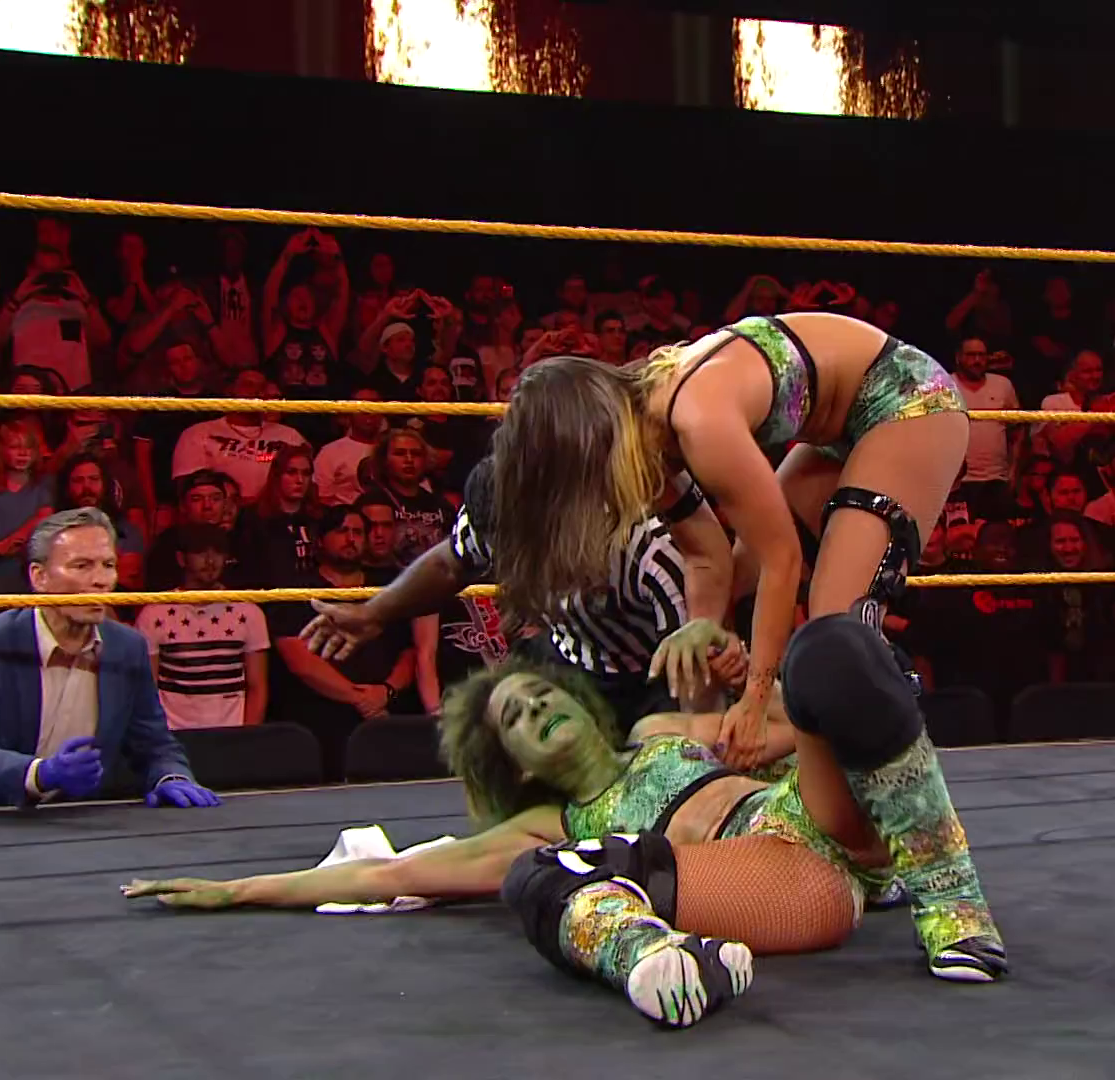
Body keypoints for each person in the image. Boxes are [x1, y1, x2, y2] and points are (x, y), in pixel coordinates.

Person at [451, 316, 1002, 979]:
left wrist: (754, 696)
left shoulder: (696, 416)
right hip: (835, 429)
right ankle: (860, 833)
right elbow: (710, 557)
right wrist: (705, 629)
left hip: (904, 402)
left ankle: (952, 901)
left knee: (835, 639)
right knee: (773, 612)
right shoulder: (647, 433)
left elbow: (782, 559)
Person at [125, 646, 1004, 1030]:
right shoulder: (555, 821)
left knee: (832, 654)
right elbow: (392, 874)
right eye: (515, 716)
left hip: (819, 819)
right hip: (782, 884)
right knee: (540, 875)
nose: (537, 705)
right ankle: (661, 965)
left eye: (541, 693)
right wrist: (239, 889)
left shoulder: (662, 732)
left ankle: (951, 904)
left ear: (580, 703)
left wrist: (745, 669)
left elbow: (782, 723)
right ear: (514, 764)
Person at [303, 459, 743, 723]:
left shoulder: (645, 548)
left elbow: (699, 669)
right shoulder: (496, 516)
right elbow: (447, 562)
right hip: (572, 657)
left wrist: (692, 761)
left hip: (656, 672)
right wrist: (374, 613)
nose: (513, 565)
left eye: (526, 550)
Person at [0, 508, 219, 813]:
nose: (101, 580)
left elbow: (154, 743)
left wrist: (170, 776)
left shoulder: (126, 647)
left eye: (108, 565)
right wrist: (41, 774)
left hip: (68, 824)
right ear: (39, 577)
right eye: (82, 566)